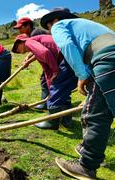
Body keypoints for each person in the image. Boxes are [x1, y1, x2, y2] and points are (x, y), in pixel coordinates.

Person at [41, 7, 115, 179]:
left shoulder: (59, 26)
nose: (50, 31)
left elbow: (67, 45)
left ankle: (86, 166)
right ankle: (88, 150)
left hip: (107, 60)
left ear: (53, 21)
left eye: (49, 27)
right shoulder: (90, 26)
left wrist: (82, 76)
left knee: (95, 115)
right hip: (109, 57)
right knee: (101, 109)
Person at [12, 34, 77, 129]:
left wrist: (55, 70)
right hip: (70, 57)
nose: (18, 52)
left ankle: (52, 122)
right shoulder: (36, 46)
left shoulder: (28, 42)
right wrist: (50, 85)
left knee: (57, 92)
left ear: (21, 41)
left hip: (65, 58)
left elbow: (45, 52)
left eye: (16, 48)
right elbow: (46, 69)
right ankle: (66, 121)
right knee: (63, 91)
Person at [14, 17, 49, 110]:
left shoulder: (35, 33)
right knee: (45, 79)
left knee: (45, 80)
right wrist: (27, 57)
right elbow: (35, 50)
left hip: (54, 58)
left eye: (21, 28)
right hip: (51, 58)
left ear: (28, 26)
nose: (19, 31)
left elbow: (41, 51)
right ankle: (47, 102)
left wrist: (28, 62)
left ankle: (45, 103)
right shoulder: (32, 34)